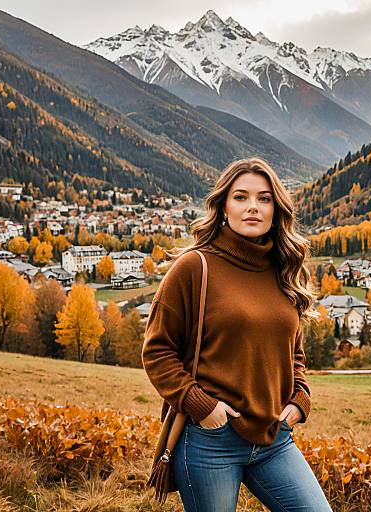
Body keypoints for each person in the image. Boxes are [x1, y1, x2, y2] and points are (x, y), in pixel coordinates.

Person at [142, 157, 332, 511]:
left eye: (264, 199)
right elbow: (157, 351)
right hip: (209, 439)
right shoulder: (194, 267)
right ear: (223, 205)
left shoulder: (284, 270)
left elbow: (293, 352)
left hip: (274, 437)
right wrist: (203, 406)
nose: (253, 208)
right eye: (241, 197)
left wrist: (299, 399)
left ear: (276, 209)